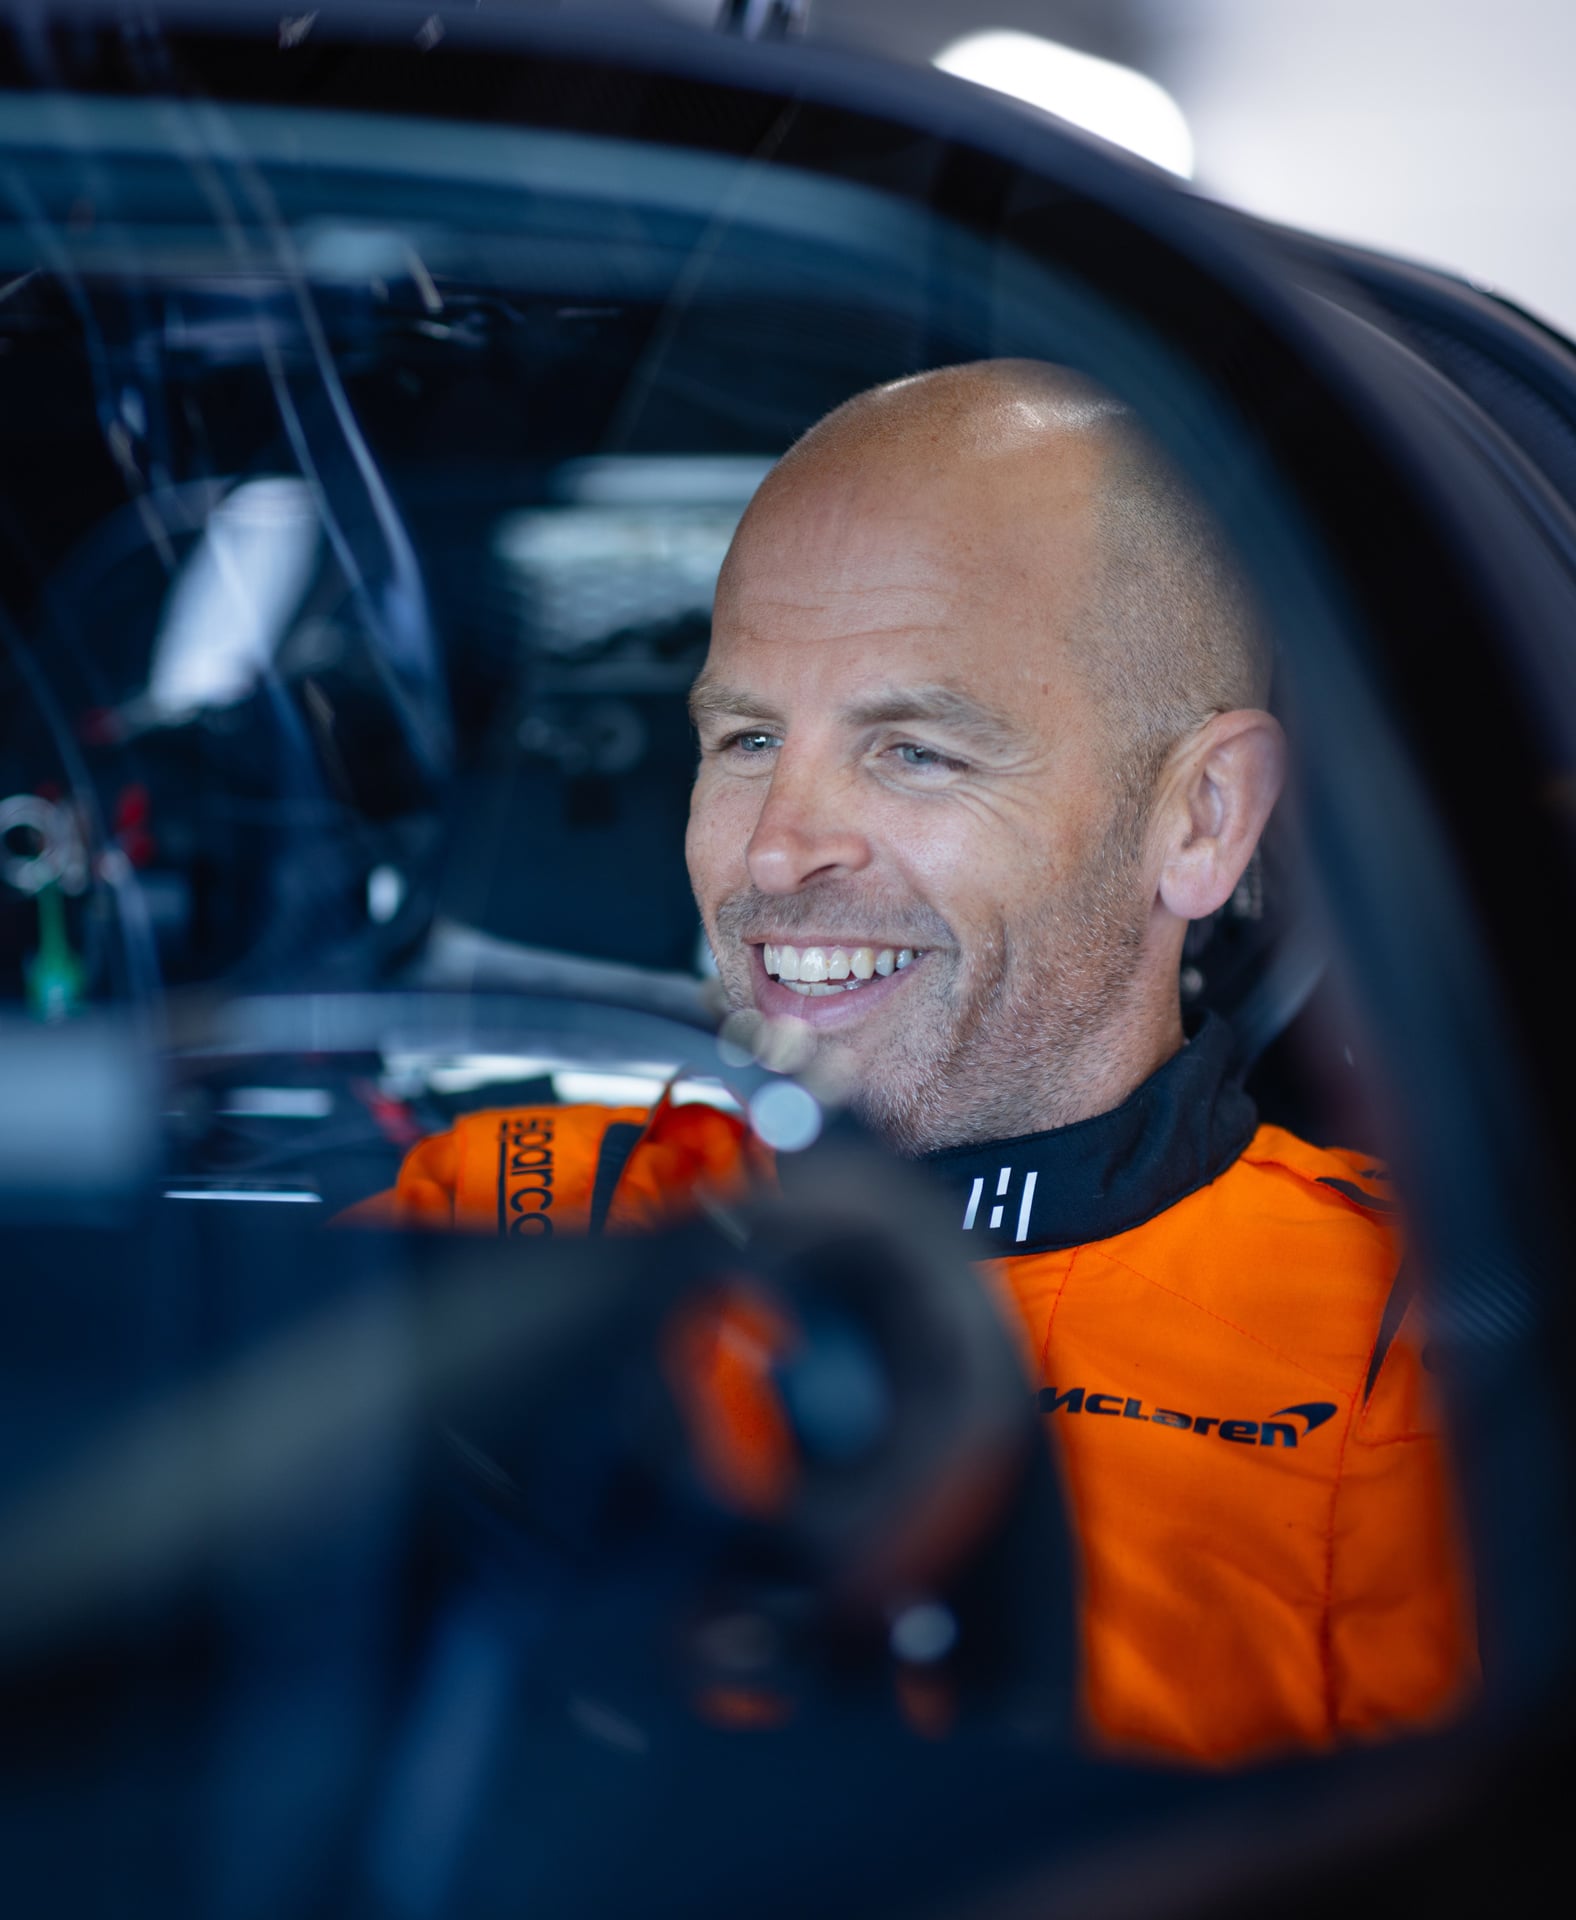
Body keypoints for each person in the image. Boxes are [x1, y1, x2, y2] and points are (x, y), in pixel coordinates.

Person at [359, 360, 1477, 1764]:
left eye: (917, 753)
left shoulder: (1405, 1334)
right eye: (748, 737)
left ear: (1199, 818)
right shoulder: (512, 1214)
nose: (776, 846)